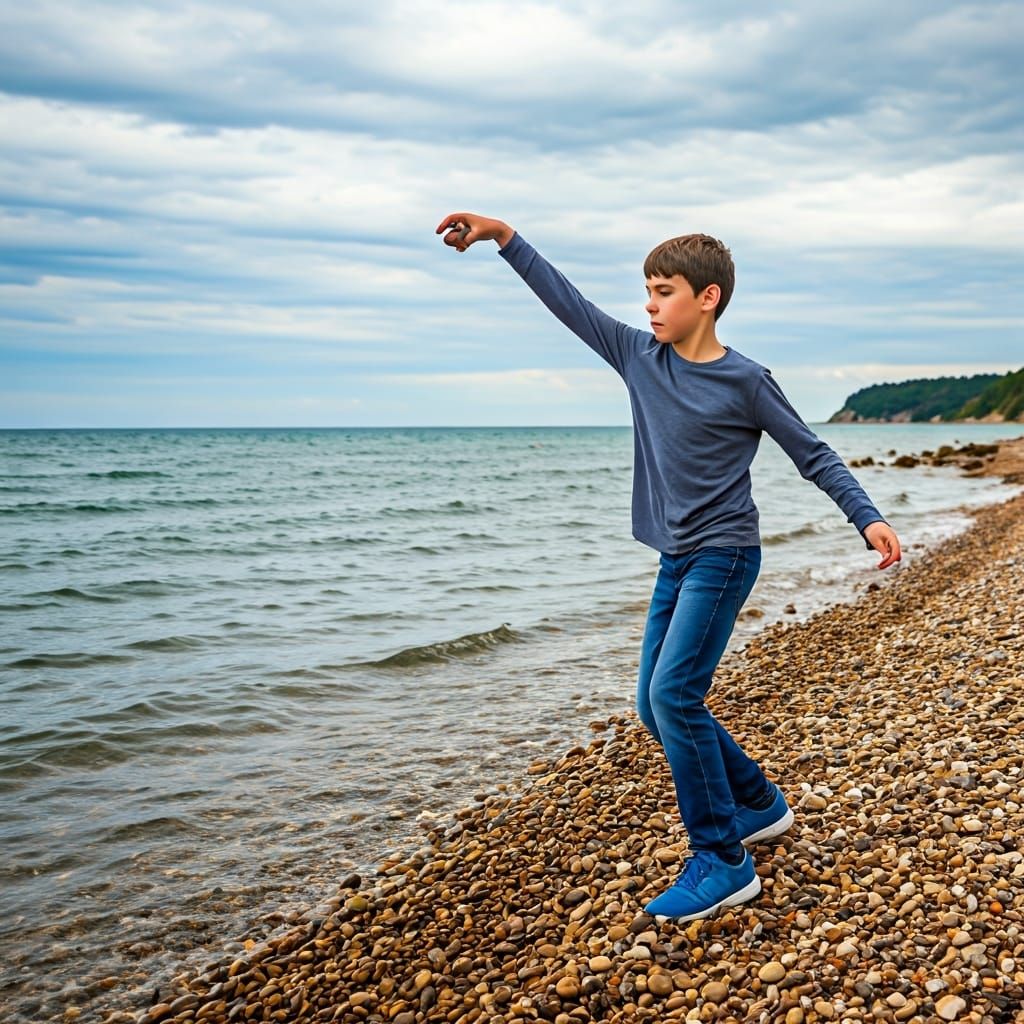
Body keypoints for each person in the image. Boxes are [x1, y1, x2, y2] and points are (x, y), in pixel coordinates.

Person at [436, 212, 902, 922]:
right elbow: (567, 303)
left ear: (705, 299)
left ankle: (723, 861)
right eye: (646, 292)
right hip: (674, 559)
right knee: (654, 708)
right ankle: (758, 804)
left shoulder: (747, 381)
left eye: (662, 292)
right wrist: (506, 238)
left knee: (675, 698)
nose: (648, 306)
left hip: (724, 556)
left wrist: (865, 514)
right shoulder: (635, 356)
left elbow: (814, 454)